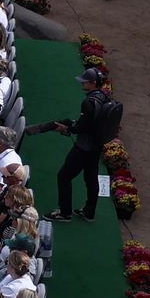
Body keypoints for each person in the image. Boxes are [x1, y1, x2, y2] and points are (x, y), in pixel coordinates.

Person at [34, 67, 119, 220]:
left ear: (93, 83)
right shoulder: (104, 97)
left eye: (85, 82)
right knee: (91, 179)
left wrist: (67, 128)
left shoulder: (88, 102)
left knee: (64, 176)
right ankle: (89, 212)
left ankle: (64, 212)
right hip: (96, 146)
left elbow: (82, 127)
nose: (82, 83)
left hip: (83, 147)